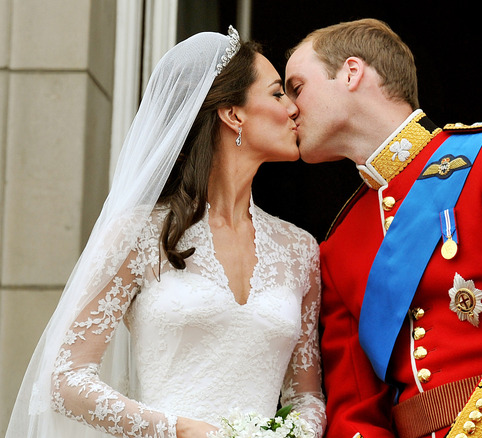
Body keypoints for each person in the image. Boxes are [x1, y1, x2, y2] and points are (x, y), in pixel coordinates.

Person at [6, 27, 325, 438]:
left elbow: (306, 399)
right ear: (234, 114)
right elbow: (64, 378)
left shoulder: (300, 249)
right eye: (278, 93)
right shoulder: (138, 233)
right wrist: (182, 431)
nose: (294, 108)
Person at [285, 18, 482, 437]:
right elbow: (354, 410)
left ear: (351, 73)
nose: (288, 108)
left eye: (297, 87)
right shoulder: (339, 244)